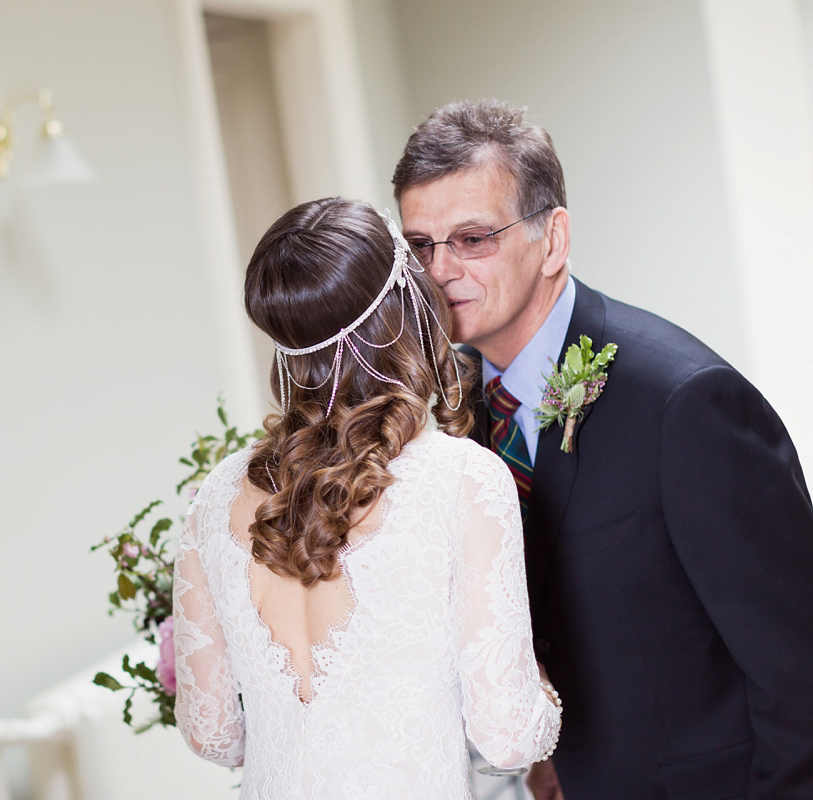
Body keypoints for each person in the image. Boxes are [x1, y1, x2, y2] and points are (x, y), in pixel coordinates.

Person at [391, 99, 813, 800]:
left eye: (472, 238)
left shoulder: (684, 403)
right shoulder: (452, 416)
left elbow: (800, 676)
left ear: (553, 240)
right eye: (421, 246)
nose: (440, 272)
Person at [172, 197, 562, 798]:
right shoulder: (463, 481)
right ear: (406, 309)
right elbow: (506, 740)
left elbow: (212, 734)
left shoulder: (216, 497)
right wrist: (542, 691)